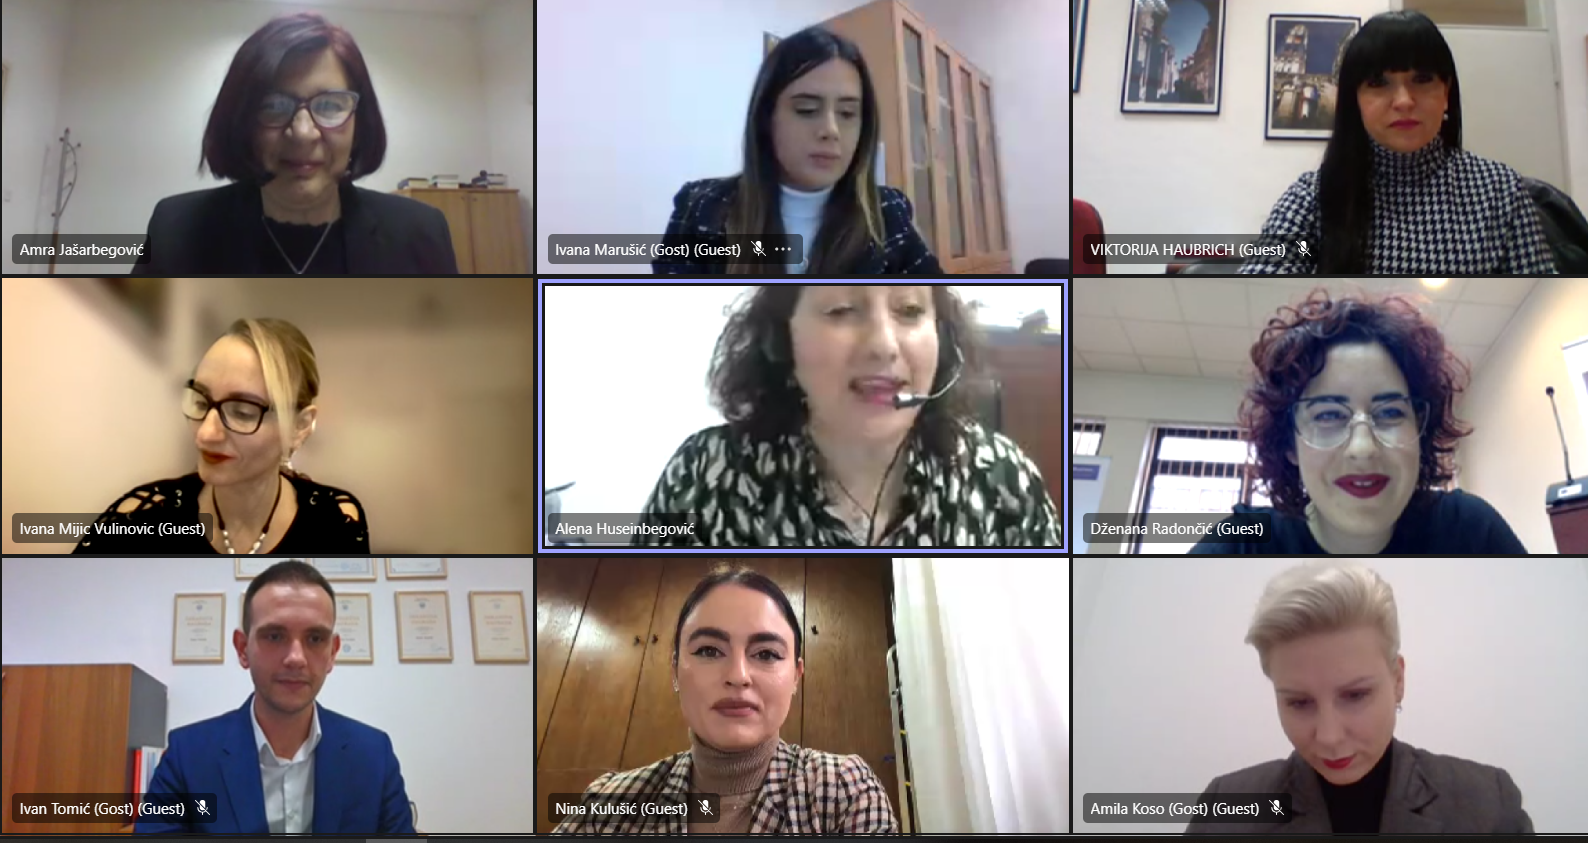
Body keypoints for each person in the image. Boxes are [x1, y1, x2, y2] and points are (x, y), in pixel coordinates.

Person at [632, 285, 1061, 546]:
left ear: (943, 340)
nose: (884, 346)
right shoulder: (703, 473)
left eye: (910, 311)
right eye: (841, 310)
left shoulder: (1004, 477)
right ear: (781, 340)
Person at [1186, 563, 1532, 835]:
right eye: (1299, 703)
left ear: (1398, 680)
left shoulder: (1488, 804)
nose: (1329, 737)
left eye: (1355, 695)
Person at [551, 566, 898, 834]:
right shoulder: (609, 804)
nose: (738, 675)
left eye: (766, 654)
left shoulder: (843, 789)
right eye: (708, 650)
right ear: (675, 671)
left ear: (796, 676)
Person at [1191, 288, 1524, 554]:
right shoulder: (1242, 541)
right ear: (1289, 442)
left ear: (1419, 426)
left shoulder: (1470, 531)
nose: (1363, 449)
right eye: (1328, 415)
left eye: (1390, 412)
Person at [132, 12, 457, 275]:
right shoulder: (175, 229)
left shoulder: (421, 232)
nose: (303, 133)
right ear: (242, 121)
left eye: (329, 105)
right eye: (274, 105)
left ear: (360, 122)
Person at [1239, 11, 1555, 275]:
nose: (1404, 101)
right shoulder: (1312, 196)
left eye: (1422, 79)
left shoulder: (1501, 192)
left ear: (1446, 93)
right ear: (1355, 101)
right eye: (1378, 83)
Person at [136, 561, 415, 834]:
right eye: (274, 636)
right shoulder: (187, 755)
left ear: (332, 652)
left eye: (315, 639)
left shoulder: (374, 755)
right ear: (242, 649)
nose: (296, 658)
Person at [653, 26, 940, 274]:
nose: (831, 130)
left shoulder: (889, 213)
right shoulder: (700, 208)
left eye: (847, 113)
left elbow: (937, 306)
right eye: (806, 110)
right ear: (766, 118)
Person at [75, 318, 369, 554]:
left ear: (299, 427)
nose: (206, 433)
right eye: (201, 402)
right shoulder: (143, 518)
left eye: (242, 412)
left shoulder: (336, 521)